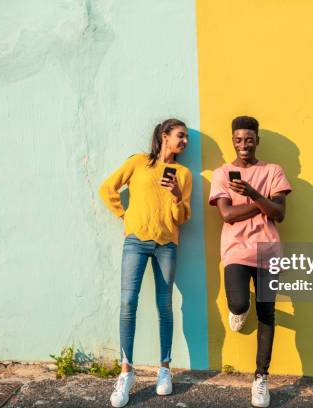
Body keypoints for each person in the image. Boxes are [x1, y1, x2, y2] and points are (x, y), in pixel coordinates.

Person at [99, 119, 192, 407]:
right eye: (180, 135)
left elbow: (183, 217)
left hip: (167, 244)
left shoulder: (184, 174)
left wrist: (177, 195)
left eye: (187, 137)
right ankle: (126, 372)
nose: (184, 141)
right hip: (136, 241)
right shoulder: (139, 163)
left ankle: (165, 369)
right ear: (164, 136)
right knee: (128, 303)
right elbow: (107, 188)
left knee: (165, 305)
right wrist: (124, 216)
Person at [208, 116, 291, 408]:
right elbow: (227, 215)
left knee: (267, 313)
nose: (244, 145)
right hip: (236, 250)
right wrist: (262, 204)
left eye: (249, 139)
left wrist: (253, 194)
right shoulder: (222, 173)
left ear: (257, 139)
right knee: (240, 303)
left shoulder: (273, 171)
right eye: (238, 139)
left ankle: (261, 377)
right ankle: (239, 311)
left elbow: (279, 214)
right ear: (233, 140)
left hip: (269, 253)